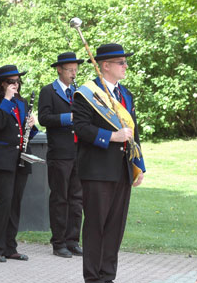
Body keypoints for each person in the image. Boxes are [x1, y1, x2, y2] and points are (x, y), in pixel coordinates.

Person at [72, 43, 145, 283]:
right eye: (121, 62)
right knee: (96, 226)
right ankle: (92, 278)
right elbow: (81, 129)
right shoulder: (86, 93)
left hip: (122, 169)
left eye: (125, 62)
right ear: (105, 65)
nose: (126, 66)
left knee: (115, 228)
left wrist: (139, 164)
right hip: (97, 169)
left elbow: (135, 131)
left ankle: (107, 276)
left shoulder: (125, 94)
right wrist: (112, 136)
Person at [0, 65, 37, 263]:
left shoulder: (21, 102)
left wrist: (32, 125)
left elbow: (26, 132)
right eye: (11, 82)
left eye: (17, 81)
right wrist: (6, 99)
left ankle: (9, 247)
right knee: (3, 202)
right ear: (2, 84)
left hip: (20, 158)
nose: (16, 85)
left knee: (15, 203)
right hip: (1, 158)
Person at [38, 52, 84, 258]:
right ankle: (58, 242)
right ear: (59, 69)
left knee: (77, 198)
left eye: (75, 70)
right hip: (60, 152)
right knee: (60, 198)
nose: (73, 74)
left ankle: (73, 240)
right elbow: (44, 118)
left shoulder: (79, 92)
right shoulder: (48, 91)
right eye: (70, 70)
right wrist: (69, 117)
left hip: (78, 152)